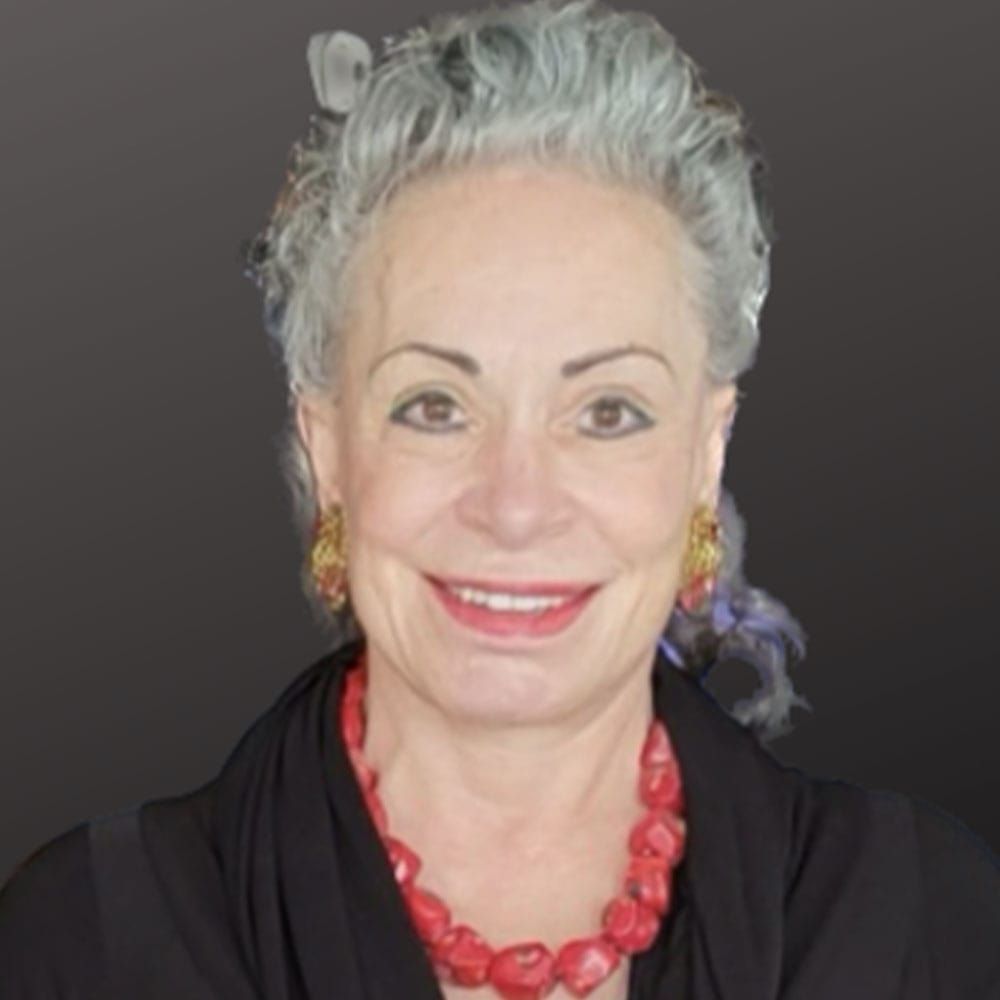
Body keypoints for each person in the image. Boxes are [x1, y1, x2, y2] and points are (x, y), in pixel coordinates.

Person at [2, 0, 997, 997]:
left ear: (706, 449)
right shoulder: (84, 943)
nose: (515, 505)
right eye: (434, 405)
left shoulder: (925, 923)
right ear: (328, 448)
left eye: (607, 411)